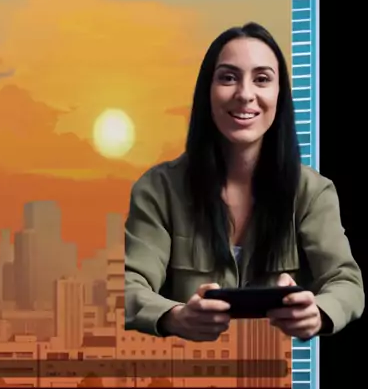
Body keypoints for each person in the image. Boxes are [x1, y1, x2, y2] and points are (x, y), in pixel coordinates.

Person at [125, 22, 364, 342]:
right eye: (228, 78)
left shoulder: (313, 192)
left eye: (262, 79)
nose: (245, 95)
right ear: (207, 91)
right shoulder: (158, 190)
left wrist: (318, 312)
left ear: (280, 94)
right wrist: (175, 316)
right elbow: (128, 286)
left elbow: (347, 283)